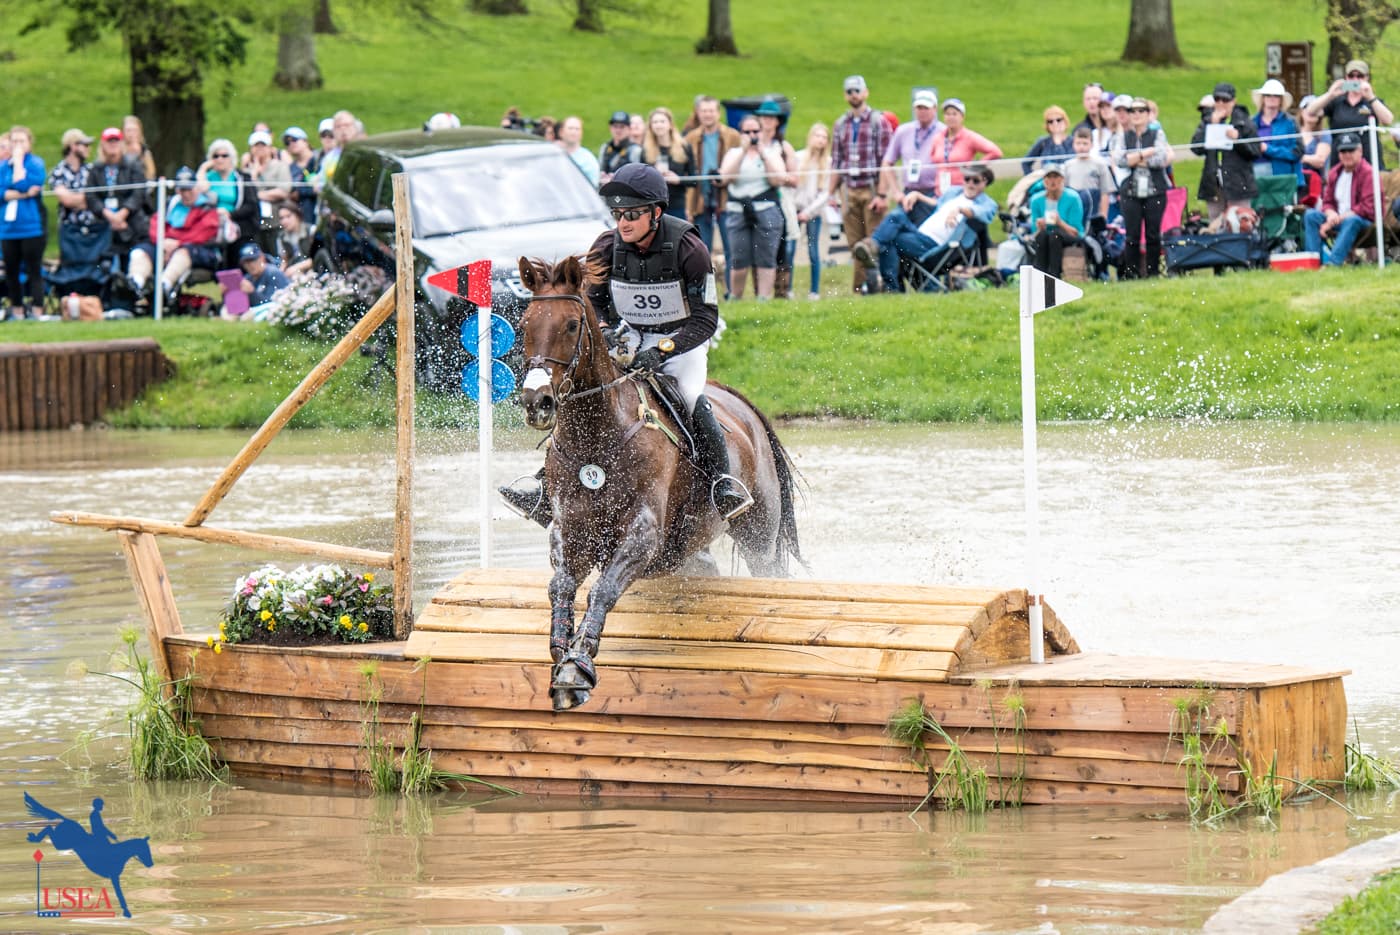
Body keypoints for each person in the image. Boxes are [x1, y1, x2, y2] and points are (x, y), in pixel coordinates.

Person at [499, 163, 752, 524]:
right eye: (618, 214)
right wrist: (605, 328)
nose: (623, 223)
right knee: (585, 395)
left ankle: (721, 482)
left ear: (656, 213)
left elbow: (706, 319)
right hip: (629, 335)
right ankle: (544, 486)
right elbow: (594, 301)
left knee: (690, 396)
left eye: (632, 214)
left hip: (681, 339)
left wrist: (662, 351)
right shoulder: (607, 247)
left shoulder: (689, 249)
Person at [855, 163, 997, 293]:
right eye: (967, 179)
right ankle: (878, 254)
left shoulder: (987, 203)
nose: (970, 184)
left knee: (891, 237)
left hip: (934, 246)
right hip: (919, 235)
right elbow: (937, 204)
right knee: (896, 217)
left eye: (975, 181)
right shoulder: (954, 192)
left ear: (985, 182)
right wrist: (917, 195)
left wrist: (960, 210)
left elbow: (981, 213)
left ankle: (883, 268)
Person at [829, 75, 893, 295]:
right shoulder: (840, 124)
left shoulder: (878, 121)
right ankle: (860, 290)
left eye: (857, 91)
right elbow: (837, 162)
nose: (853, 95)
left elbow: (887, 161)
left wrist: (882, 195)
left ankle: (879, 286)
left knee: (873, 241)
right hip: (849, 190)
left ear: (865, 93)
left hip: (872, 188)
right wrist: (830, 194)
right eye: (849, 91)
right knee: (855, 244)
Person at [121, 166, 219, 308]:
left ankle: (164, 286)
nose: (186, 194)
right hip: (164, 245)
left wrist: (177, 243)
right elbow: (155, 224)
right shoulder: (170, 205)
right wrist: (163, 242)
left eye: (189, 189)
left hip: (198, 250)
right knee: (140, 251)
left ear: (196, 187)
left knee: (183, 253)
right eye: (182, 190)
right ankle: (135, 284)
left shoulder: (207, 207)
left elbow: (202, 233)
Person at [719, 114, 789, 300]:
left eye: (755, 131)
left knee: (766, 257)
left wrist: (763, 154)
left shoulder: (771, 152)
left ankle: (763, 298)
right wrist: (743, 152)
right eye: (747, 132)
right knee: (738, 257)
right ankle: (735, 297)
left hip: (766, 209)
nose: (752, 135)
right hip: (737, 210)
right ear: (741, 133)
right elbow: (726, 178)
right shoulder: (733, 153)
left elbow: (777, 180)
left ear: (761, 132)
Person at [683, 96, 742, 295]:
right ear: (698, 113)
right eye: (704, 111)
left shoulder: (732, 136)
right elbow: (688, 174)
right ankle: (706, 293)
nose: (708, 115)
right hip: (700, 198)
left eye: (711, 111)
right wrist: (689, 207)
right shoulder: (690, 138)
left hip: (726, 198)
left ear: (718, 113)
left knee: (731, 247)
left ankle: (732, 291)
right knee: (702, 249)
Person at [1112, 98, 1171, 278]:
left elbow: (1161, 159)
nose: (1136, 115)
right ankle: (1132, 273)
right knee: (1132, 235)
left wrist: (1134, 159)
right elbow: (1120, 160)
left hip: (1155, 191)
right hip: (1130, 191)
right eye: (1133, 111)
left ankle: (1153, 273)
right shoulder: (1123, 136)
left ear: (1147, 114)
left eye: (1141, 111)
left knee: (1153, 234)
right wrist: (1145, 153)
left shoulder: (1157, 134)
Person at [1190, 82, 1260, 223]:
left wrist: (1237, 140)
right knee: (1216, 222)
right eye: (1217, 99)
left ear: (1234, 101)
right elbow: (1196, 147)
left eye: (1225, 100)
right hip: (1213, 182)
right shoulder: (1208, 120)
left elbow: (1255, 152)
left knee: (1240, 221)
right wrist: (1211, 125)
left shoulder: (1244, 122)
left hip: (1238, 182)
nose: (1221, 103)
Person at [1304, 59, 1393, 168]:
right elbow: (1310, 111)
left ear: (1367, 78)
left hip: (1368, 160)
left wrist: (1371, 97)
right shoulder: (1337, 101)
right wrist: (1330, 94)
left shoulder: (1373, 101)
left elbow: (1388, 120)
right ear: (1346, 77)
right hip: (1340, 160)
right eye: (1351, 76)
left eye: (1360, 76)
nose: (1355, 79)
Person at [1303, 132, 1375, 266]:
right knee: (1310, 215)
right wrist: (1331, 214)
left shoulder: (1368, 173)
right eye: (1343, 151)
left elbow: (1367, 207)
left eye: (1351, 150)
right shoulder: (1334, 172)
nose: (1347, 155)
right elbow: (1327, 202)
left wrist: (1334, 221)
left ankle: (1333, 263)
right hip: (1337, 219)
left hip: (1363, 221)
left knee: (1352, 220)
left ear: (1360, 151)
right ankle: (1312, 263)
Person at [85, 127, 148, 270]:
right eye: (109, 141)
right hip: (105, 222)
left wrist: (122, 214)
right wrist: (108, 215)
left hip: (130, 222)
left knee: (130, 260)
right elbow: (91, 195)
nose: (113, 145)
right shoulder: (96, 169)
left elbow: (138, 193)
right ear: (103, 145)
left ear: (122, 144)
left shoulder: (133, 165)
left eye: (116, 141)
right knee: (103, 264)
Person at [1, 126, 47, 320]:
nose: (17, 145)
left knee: (33, 270)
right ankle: (17, 310)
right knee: (11, 271)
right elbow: (1, 192)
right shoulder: (3, 166)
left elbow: (23, 183)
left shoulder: (35, 163)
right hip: (8, 229)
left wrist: (19, 163)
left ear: (29, 143)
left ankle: (37, 310)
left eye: (21, 141)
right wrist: (24, 194)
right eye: (14, 141)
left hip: (31, 227)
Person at [753, 101, 798, 298]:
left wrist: (778, 177)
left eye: (771, 117)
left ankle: (782, 290)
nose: (767, 121)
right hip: (755, 200)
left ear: (778, 121)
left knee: (781, 247)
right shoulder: (753, 144)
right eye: (764, 117)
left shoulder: (783, 147)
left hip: (780, 201)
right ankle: (760, 292)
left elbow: (795, 179)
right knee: (758, 246)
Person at [879, 89, 944, 225]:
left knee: (925, 231)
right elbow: (887, 162)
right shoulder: (904, 131)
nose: (922, 111)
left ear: (935, 109)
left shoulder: (943, 132)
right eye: (919, 108)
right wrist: (896, 191)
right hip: (908, 193)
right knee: (895, 225)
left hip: (932, 193)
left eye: (926, 108)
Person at [196, 138, 258, 260]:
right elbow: (197, 196)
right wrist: (203, 168)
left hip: (237, 222)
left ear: (231, 158)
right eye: (216, 156)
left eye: (224, 155)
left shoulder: (241, 178)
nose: (220, 159)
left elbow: (251, 205)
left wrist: (229, 214)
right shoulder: (207, 178)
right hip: (210, 222)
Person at [793, 122, 833, 300]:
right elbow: (792, 186)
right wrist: (795, 209)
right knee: (789, 250)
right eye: (818, 136)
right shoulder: (798, 157)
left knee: (813, 251)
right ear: (810, 137)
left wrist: (808, 212)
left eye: (824, 137)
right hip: (795, 209)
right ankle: (787, 289)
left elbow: (826, 193)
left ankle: (814, 291)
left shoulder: (828, 163)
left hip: (813, 212)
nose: (821, 140)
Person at [1028, 164, 1084, 278]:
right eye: (1049, 177)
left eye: (1056, 177)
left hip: (1067, 234)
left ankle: (1054, 275)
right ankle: (1040, 275)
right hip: (1045, 235)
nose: (1052, 181)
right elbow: (1034, 233)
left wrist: (1060, 223)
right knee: (1042, 236)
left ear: (1062, 179)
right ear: (1044, 181)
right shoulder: (1036, 200)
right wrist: (1040, 227)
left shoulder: (1073, 198)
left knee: (1055, 236)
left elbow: (1076, 231)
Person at [641, 106, 696, 219]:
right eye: (655, 122)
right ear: (650, 126)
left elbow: (694, 180)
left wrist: (678, 180)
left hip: (677, 204)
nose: (659, 125)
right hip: (654, 205)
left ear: (670, 125)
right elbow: (641, 180)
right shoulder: (646, 150)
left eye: (662, 121)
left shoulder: (684, 147)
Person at [1251, 79, 1302, 181]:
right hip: (1255, 173)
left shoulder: (1290, 122)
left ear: (1281, 99)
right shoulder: (1252, 122)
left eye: (1276, 95)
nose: (1272, 98)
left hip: (1283, 175)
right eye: (1268, 95)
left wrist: (1268, 149)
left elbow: (1297, 152)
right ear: (1263, 98)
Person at [246, 129, 293, 238]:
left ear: (270, 148)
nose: (259, 148)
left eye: (263, 145)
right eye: (256, 146)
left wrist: (257, 195)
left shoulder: (280, 166)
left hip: (277, 219)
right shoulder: (247, 171)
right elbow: (246, 194)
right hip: (254, 221)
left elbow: (283, 191)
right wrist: (254, 175)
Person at [1065, 128, 1115, 221]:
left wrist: (1103, 215)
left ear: (1092, 145)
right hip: (1073, 209)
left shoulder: (1100, 164)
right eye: (1078, 143)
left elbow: (1105, 193)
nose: (1081, 147)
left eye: (1085, 143)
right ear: (1073, 144)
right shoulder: (1068, 165)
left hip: (1093, 208)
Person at [50, 129, 96, 228]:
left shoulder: (91, 169)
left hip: (95, 227)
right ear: (73, 146)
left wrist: (77, 199)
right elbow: (67, 200)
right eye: (85, 145)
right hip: (70, 229)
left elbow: (101, 197)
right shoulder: (59, 171)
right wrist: (91, 199)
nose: (89, 148)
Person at [236, 241, 291, 316]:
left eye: (253, 260)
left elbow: (273, 304)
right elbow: (240, 306)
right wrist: (228, 294)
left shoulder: (273, 273)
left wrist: (252, 292)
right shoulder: (248, 278)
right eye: (246, 262)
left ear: (262, 258)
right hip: (257, 311)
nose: (250, 265)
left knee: (248, 315)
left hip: (277, 311)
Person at [1297, 96, 1332, 204]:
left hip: (1315, 187)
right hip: (1295, 182)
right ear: (1301, 112)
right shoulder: (1292, 133)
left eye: (1316, 109)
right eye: (1308, 108)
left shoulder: (1323, 135)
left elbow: (1320, 160)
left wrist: (1297, 157)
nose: (1312, 112)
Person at [1022, 105, 1075, 175]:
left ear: (1065, 121)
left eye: (1058, 120)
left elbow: (1064, 164)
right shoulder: (1043, 142)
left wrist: (1058, 144)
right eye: (1050, 121)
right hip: (1048, 179)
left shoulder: (1074, 142)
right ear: (1047, 125)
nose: (1055, 123)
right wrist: (1034, 178)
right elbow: (1025, 163)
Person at [282, 126, 320, 222]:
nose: (291, 144)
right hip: (302, 210)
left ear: (305, 141)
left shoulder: (320, 158)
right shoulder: (290, 168)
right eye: (287, 142)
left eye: (294, 139)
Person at [598, 110, 643, 186]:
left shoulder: (635, 150)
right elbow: (600, 168)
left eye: (622, 127)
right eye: (615, 126)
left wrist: (616, 178)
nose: (618, 130)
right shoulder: (605, 147)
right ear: (610, 128)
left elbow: (638, 177)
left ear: (629, 128)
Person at [557, 116, 600, 187]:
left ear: (581, 133)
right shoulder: (553, 155)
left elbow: (592, 187)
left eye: (577, 129)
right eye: (570, 128)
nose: (573, 132)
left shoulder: (588, 159)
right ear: (561, 132)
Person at [274, 202, 313, 277]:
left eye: (288, 216)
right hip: (295, 273)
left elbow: (318, 257)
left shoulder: (311, 231)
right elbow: (285, 260)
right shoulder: (281, 237)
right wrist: (280, 273)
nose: (284, 221)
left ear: (297, 215)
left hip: (312, 270)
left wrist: (297, 267)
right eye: (281, 218)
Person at [121, 115, 158, 181]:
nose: (131, 134)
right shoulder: (117, 151)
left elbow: (151, 175)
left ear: (140, 132)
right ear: (123, 131)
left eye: (135, 130)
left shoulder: (145, 151)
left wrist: (139, 155)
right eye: (128, 130)